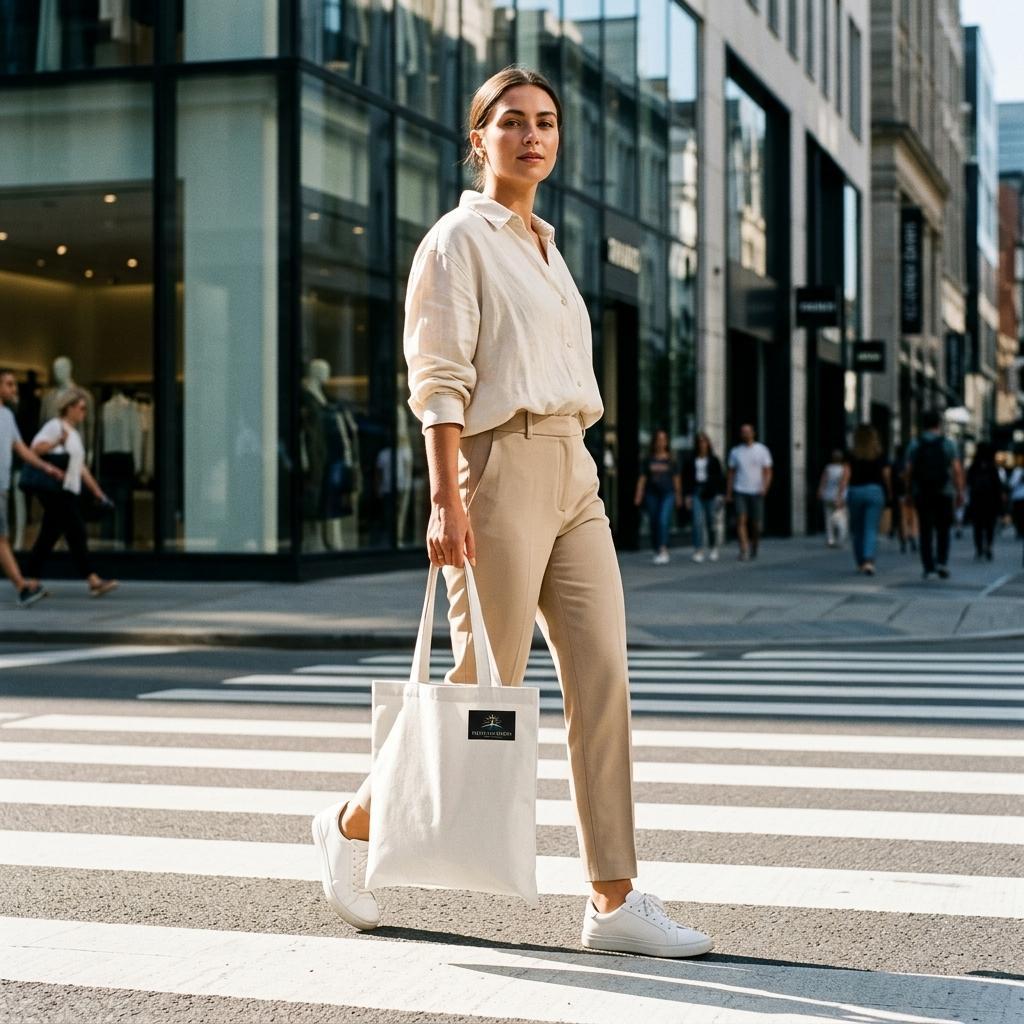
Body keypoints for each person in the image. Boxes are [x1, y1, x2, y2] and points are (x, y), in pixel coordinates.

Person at [310, 67, 713, 959]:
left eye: (547, 123)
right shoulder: (459, 241)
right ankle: (350, 824)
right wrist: (446, 497)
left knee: (603, 674)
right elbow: (440, 381)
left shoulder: (547, 245)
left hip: (574, 469)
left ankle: (613, 898)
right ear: (479, 137)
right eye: (514, 122)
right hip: (497, 466)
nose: (534, 136)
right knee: (478, 687)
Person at [26, 387, 119, 597]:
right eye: (81, 408)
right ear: (68, 408)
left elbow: (82, 468)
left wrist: (98, 493)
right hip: (56, 491)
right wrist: (58, 441)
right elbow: (35, 449)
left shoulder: (75, 434)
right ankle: (93, 580)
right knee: (77, 533)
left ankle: (30, 582)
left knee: (48, 537)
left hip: (69, 491)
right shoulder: (55, 426)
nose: (83, 412)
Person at [0, 368, 66, 606]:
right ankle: (21, 587)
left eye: (13, 384)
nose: (14, 389)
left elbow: (21, 449)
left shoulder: (7, 416)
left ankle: (23, 586)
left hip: (2, 487)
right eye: (9, 384)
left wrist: (46, 468)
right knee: (2, 540)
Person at [903, 409, 964, 580]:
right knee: (943, 529)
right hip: (944, 492)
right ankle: (942, 562)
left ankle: (928, 566)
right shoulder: (948, 443)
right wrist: (959, 491)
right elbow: (957, 469)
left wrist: (908, 492)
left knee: (925, 529)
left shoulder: (915, 444)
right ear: (939, 424)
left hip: (922, 492)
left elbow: (908, 470)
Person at [841, 425, 891, 575]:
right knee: (871, 528)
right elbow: (886, 476)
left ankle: (860, 561)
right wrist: (889, 493)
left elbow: (846, 475)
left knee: (857, 529)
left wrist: (839, 494)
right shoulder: (880, 455)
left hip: (855, 492)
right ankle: (869, 561)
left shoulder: (851, 454)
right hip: (875, 492)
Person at [633, 428, 682, 565]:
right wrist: (638, 494)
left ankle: (663, 549)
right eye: (658, 440)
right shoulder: (648, 459)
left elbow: (676, 479)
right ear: (654, 442)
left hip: (668, 493)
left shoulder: (671, 459)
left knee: (663, 520)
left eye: (663, 440)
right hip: (651, 494)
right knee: (654, 522)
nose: (661, 443)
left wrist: (678, 496)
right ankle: (657, 548)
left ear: (667, 442)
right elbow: (642, 478)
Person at [725, 423, 773, 561]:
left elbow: (768, 471)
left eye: (748, 431)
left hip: (756, 491)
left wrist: (765, 487)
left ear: (753, 433)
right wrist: (729, 493)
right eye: (743, 432)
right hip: (740, 489)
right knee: (741, 520)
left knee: (756, 523)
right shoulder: (735, 451)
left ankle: (755, 545)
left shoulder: (762, 450)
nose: (745, 434)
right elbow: (731, 473)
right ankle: (744, 549)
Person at [682, 431, 725, 562]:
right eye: (700, 442)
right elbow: (686, 479)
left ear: (708, 444)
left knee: (711, 521)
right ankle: (698, 549)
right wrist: (687, 496)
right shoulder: (691, 460)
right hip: (696, 491)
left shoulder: (714, 460)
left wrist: (720, 495)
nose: (702, 445)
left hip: (711, 492)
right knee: (697, 521)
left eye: (704, 442)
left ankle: (713, 547)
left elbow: (720, 478)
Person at [966, 442, 1003, 561]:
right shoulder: (992, 467)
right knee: (989, 526)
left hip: (977, 500)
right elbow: (998, 486)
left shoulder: (974, 466)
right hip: (991, 500)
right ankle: (989, 546)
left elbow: (969, 482)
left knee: (978, 526)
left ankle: (979, 548)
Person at [817, 449, 847, 548]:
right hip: (840, 497)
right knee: (841, 518)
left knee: (828, 518)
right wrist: (840, 497)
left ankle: (830, 539)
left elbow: (823, 481)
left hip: (828, 496)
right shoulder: (844, 469)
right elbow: (843, 484)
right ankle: (841, 539)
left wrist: (820, 492)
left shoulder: (828, 468)